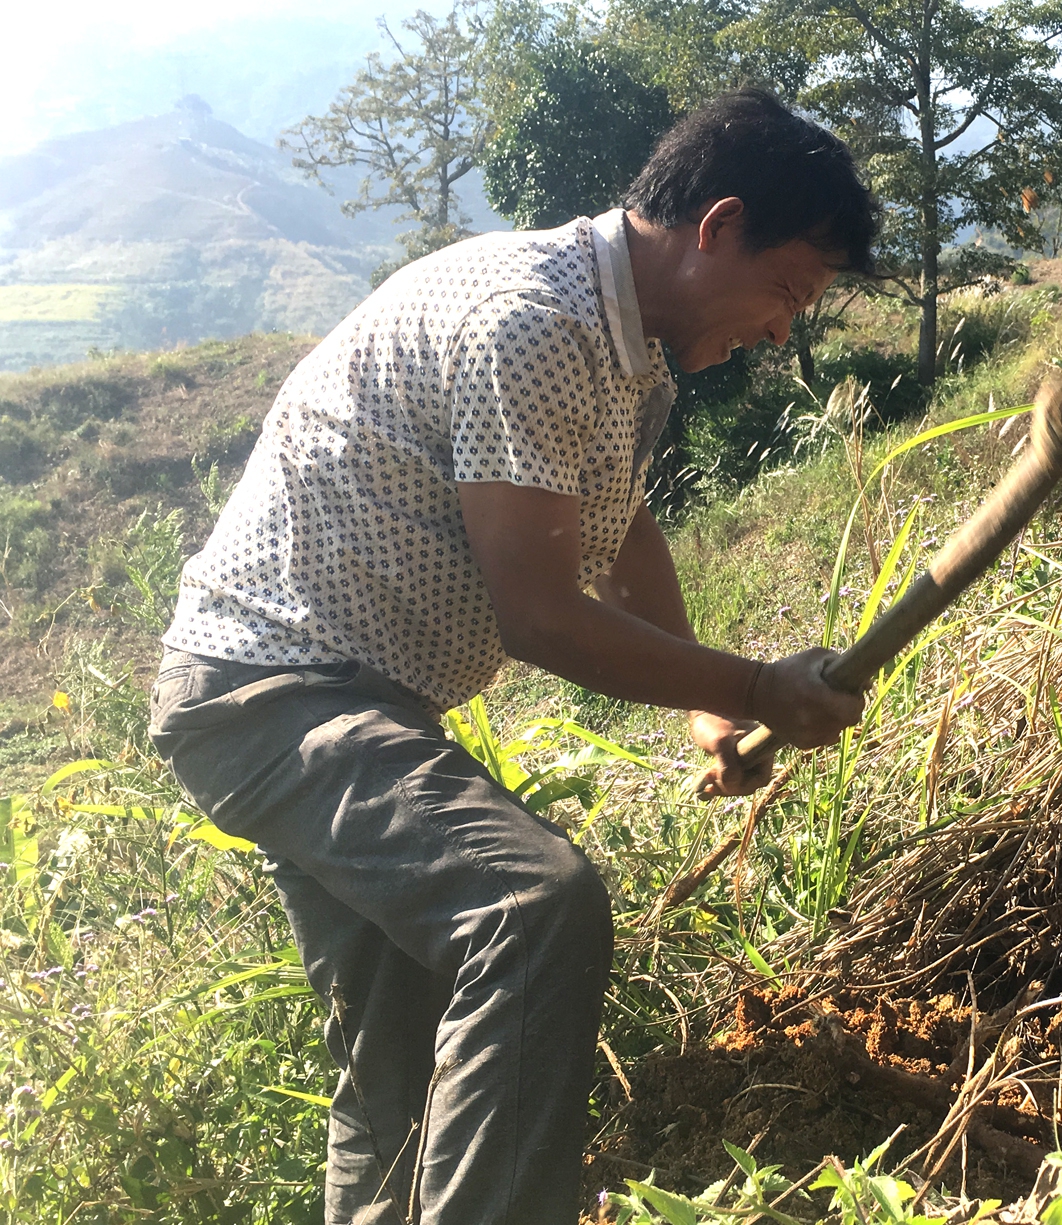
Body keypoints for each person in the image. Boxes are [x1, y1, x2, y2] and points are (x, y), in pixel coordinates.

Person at [148, 88, 875, 1225]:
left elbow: (620, 527)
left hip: (343, 699)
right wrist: (752, 683)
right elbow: (539, 615)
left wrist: (707, 714)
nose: (785, 328)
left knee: (395, 1062)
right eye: (788, 289)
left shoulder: (625, 351)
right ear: (716, 225)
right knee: (533, 907)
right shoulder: (531, 318)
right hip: (272, 690)